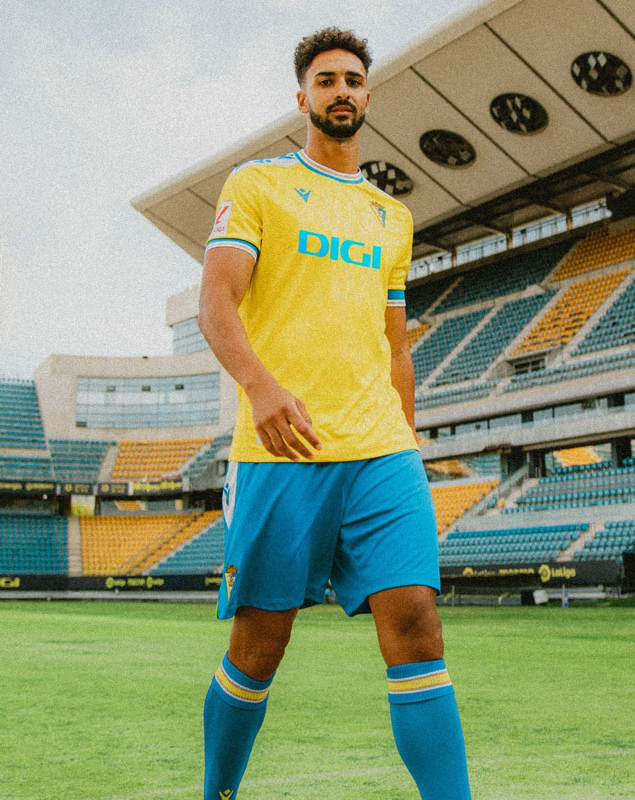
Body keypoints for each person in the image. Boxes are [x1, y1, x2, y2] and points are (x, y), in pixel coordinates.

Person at [198, 27, 471, 799]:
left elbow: (394, 348)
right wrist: (260, 387)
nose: (340, 90)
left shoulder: (391, 217)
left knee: (417, 624)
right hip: (283, 448)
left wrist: (409, 445)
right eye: (325, 80)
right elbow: (216, 300)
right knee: (260, 645)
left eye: (351, 79)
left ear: (367, 96)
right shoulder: (257, 186)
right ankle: (218, 792)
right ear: (302, 99)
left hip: (381, 452)